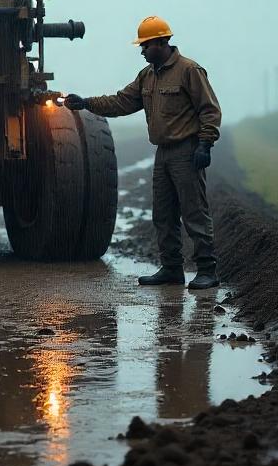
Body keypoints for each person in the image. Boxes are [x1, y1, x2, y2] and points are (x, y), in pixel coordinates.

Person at [52, 16, 222, 290]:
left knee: (194, 212)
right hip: (163, 153)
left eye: (145, 46)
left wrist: (205, 144)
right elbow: (121, 101)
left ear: (161, 42)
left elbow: (210, 110)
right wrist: (85, 103)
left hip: (186, 151)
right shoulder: (147, 76)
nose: (142, 51)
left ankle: (207, 270)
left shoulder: (190, 71)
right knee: (163, 215)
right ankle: (171, 269)